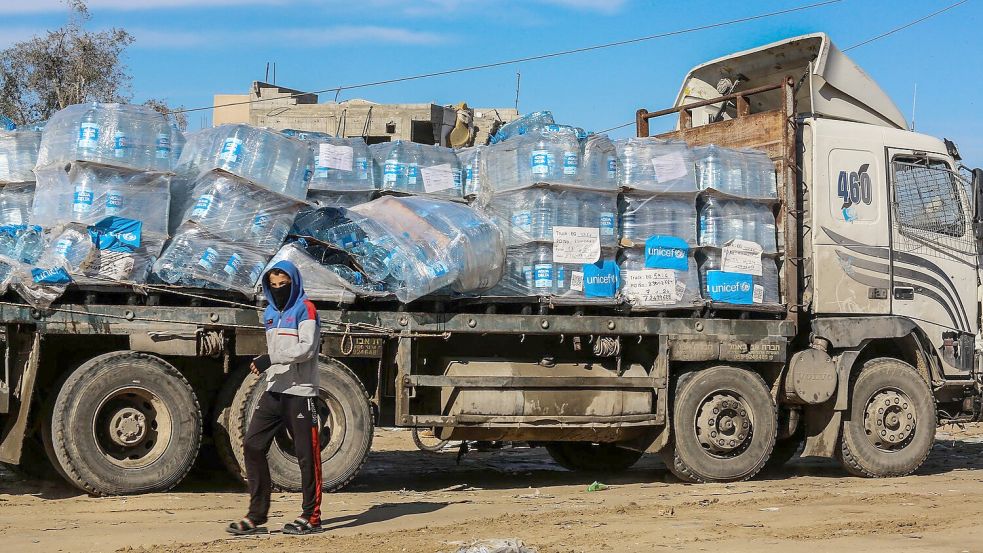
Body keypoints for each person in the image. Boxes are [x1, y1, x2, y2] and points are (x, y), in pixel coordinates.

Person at [227, 260, 323, 536]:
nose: (279, 289)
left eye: (284, 284)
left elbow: (306, 349)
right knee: (253, 445)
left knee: (307, 455)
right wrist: (268, 364)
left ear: (294, 283)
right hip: (274, 390)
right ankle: (256, 515)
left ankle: (311, 516)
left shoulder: (306, 309)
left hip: (301, 392)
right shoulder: (269, 312)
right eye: (274, 285)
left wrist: (271, 358)